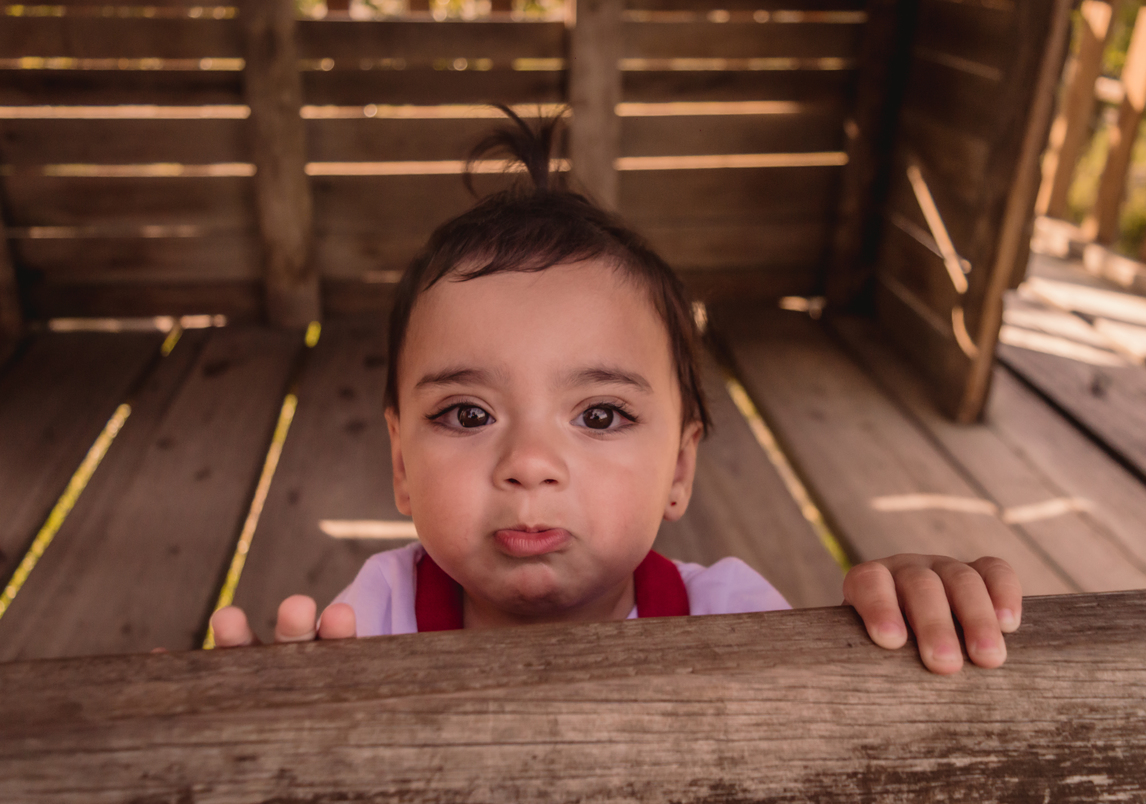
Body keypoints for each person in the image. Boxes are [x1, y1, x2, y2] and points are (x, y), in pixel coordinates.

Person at [211, 109, 1021, 674]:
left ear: (679, 467)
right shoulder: (375, 616)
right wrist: (277, 712)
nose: (530, 463)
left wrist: (908, 624)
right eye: (467, 413)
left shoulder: (733, 619)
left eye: (600, 414)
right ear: (399, 463)